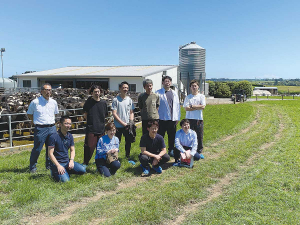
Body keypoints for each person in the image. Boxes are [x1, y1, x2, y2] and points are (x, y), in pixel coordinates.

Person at [27, 83, 59, 173]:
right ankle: (33, 167)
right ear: (41, 91)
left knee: (51, 148)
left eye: (49, 90)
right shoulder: (35, 102)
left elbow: (56, 113)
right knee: (37, 148)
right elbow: (29, 113)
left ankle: (49, 166)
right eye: (46, 90)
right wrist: (34, 122)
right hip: (40, 128)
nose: (48, 92)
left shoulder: (53, 102)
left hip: (52, 127)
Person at [48, 116, 86, 182]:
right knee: (65, 181)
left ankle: (66, 170)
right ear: (60, 124)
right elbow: (50, 153)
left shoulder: (70, 136)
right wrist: (58, 165)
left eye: (69, 124)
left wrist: (71, 160)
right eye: (66, 123)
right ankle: (54, 172)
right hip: (57, 163)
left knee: (83, 170)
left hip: (67, 162)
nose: (68, 125)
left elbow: (72, 150)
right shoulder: (53, 136)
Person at [82, 85, 108, 165]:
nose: (96, 93)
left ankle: (99, 163)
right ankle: (85, 162)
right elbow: (85, 114)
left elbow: (105, 115)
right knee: (89, 147)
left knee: (101, 148)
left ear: (100, 92)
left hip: (101, 128)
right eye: (95, 92)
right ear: (92, 93)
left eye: (98, 91)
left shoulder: (103, 103)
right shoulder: (88, 102)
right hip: (91, 128)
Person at [112, 81, 136, 165]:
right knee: (116, 142)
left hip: (127, 126)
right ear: (120, 88)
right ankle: (114, 158)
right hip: (118, 126)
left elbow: (131, 111)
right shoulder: (116, 100)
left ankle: (127, 157)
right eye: (123, 88)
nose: (125, 89)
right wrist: (123, 123)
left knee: (128, 141)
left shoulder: (129, 100)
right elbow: (114, 113)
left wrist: (131, 121)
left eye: (126, 88)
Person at [156, 76, 181, 156]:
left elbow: (177, 107)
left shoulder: (174, 93)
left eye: (169, 81)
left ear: (171, 83)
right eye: (166, 81)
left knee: (172, 136)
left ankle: (171, 150)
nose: (167, 83)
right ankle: (160, 150)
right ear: (162, 83)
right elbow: (155, 106)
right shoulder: (158, 93)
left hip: (172, 119)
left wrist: (177, 117)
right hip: (162, 119)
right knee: (160, 136)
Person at [183, 80, 206, 158]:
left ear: (198, 87)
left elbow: (203, 107)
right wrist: (197, 106)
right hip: (189, 119)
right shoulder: (188, 97)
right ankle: (190, 150)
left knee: (199, 135)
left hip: (198, 119)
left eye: (195, 86)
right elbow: (186, 108)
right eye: (192, 86)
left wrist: (192, 106)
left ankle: (199, 151)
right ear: (190, 87)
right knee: (189, 135)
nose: (194, 87)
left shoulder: (201, 96)